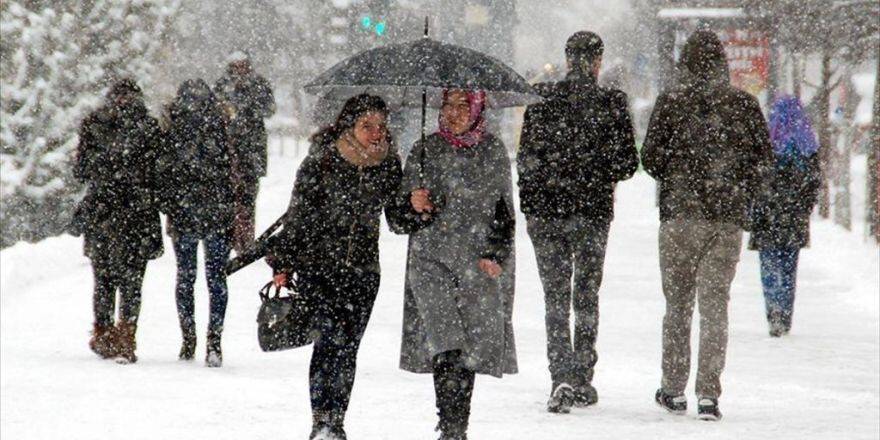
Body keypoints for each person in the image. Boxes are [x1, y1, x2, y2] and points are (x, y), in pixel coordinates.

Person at [641, 30, 774, 421]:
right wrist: (736, 187)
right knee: (715, 308)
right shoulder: (743, 105)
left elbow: (650, 158)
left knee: (678, 305)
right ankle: (708, 394)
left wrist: (679, 175)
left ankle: (672, 388)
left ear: (685, 63)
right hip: (726, 219)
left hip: (680, 217)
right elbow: (764, 161)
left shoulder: (671, 102)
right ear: (722, 63)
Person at [266, 94, 413, 440]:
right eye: (367, 126)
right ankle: (321, 422)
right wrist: (284, 262)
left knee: (348, 348)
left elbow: (397, 220)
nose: (375, 133)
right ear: (349, 126)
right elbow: (298, 216)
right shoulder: (322, 160)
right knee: (326, 342)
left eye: (380, 126)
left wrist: (415, 205)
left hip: (364, 272)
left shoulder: (388, 164)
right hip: (320, 268)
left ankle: (337, 420)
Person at [517, 31, 638, 413]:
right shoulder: (612, 103)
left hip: (547, 213)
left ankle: (561, 376)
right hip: (592, 212)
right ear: (598, 62)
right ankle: (583, 375)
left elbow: (526, 160)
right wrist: (596, 168)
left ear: (567, 59)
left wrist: (533, 204)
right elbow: (627, 164)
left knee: (554, 297)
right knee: (586, 295)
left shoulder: (541, 99)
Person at [395, 89, 517, 440]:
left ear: (478, 109)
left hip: (475, 263)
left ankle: (457, 424)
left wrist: (495, 254)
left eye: (464, 105)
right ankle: (449, 424)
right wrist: (412, 204)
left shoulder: (493, 151)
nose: (454, 112)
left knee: (468, 347)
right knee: (445, 340)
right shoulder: (424, 150)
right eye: (448, 104)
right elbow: (398, 219)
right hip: (429, 261)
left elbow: (504, 212)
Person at [72, 78, 164, 364]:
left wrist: (104, 173)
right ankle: (126, 336)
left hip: (103, 212)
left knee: (103, 280)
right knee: (132, 281)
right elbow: (159, 173)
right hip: (138, 214)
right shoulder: (149, 127)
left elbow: (80, 170)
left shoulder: (94, 124)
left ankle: (103, 333)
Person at [161, 79, 235, 367]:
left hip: (184, 213)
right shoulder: (221, 124)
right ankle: (214, 341)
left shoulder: (173, 125)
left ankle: (188, 338)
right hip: (216, 211)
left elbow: (164, 170)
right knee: (216, 279)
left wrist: (170, 202)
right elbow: (233, 169)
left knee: (185, 277)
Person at [749, 96, 821, 337]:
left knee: (769, 266)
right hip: (794, 216)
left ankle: (773, 313)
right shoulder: (807, 144)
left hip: (767, 215)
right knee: (789, 268)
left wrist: (757, 204)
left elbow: (754, 178)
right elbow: (814, 183)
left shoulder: (767, 140)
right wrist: (804, 207)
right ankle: (785, 315)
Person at [214, 51, 276, 253]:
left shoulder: (259, 84)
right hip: (228, 150)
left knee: (248, 199)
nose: (240, 69)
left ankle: (246, 240)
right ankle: (230, 238)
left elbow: (270, 109)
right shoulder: (222, 85)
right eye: (236, 65)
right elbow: (215, 110)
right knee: (228, 199)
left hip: (251, 150)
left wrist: (249, 107)